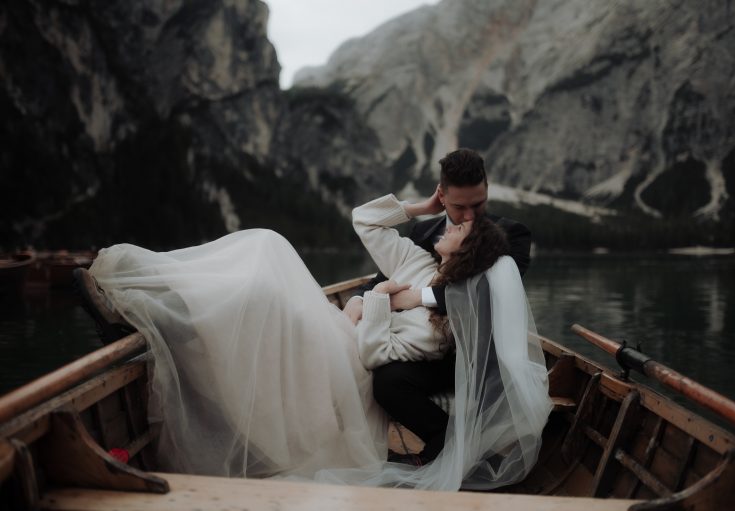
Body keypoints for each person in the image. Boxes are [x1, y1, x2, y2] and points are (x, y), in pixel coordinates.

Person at [74, 187, 550, 490]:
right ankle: (145, 301)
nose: (450, 223)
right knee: (266, 246)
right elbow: (365, 220)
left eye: (461, 226)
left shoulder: (438, 327)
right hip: (338, 329)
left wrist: (376, 300)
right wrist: (418, 207)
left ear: (466, 250)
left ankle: (156, 317)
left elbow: (373, 355)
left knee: (266, 299)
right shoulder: (419, 263)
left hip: (348, 359)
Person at [344, 148, 533, 465]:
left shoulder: (508, 235)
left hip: (473, 357)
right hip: (420, 346)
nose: (470, 216)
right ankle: (438, 442)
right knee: (369, 372)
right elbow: (387, 273)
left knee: (381, 375)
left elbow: (489, 293)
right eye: (460, 207)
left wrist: (418, 297)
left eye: (479, 204)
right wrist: (360, 296)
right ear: (442, 196)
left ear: (486, 190)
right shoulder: (423, 232)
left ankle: (445, 447)